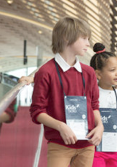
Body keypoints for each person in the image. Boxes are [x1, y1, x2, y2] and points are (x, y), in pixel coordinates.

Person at [29, 17, 104, 167]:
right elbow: (37, 111)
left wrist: (100, 126)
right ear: (66, 38)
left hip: (87, 145)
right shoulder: (46, 72)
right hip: (60, 144)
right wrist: (61, 126)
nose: (88, 43)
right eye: (84, 38)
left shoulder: (88, 72)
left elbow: (94, 105)